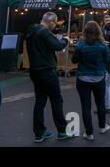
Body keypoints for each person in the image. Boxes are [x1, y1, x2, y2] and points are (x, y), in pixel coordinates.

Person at [26, 12, 72, 142]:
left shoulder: (32, 31)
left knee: (40, 101)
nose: (55, 27)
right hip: (47, 71)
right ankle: (62, 131)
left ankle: (39, 133)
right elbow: (57, 46)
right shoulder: (45, 32)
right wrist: (65, 40)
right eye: (55, 24)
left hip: (35, 71)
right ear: (51, 22)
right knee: (56, 101)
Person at [71, 21, 110, 140]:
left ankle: (89, 133)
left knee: (86, 107)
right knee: (100, 104)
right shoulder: (102, 45)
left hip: (83, 79)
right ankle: (102, 127)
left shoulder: (80, 45)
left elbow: (74, 60)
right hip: (99, 78)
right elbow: (108, 59)